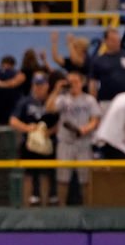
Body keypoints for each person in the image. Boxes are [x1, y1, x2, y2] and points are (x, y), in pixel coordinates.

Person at [46, 72, 101, 205]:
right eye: (70, 82)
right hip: (66, 142)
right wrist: (56, 90)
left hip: (84, 142)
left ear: (82, 83)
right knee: (63, 179)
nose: (73, 85)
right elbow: (49, 108)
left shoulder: (89, 100)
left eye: (76, 81)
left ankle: (88, 209)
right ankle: (62, 210)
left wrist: (85, 129)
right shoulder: (63, 99)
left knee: (86, 179)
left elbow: (95, 120)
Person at [9, 72, 58, 207]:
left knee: (45, 175)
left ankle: (44, 206)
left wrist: (50, 131)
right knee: (28, 176)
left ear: (47, 86)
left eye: (42, 85)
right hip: (29, 145)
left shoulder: (51, 101)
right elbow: (13, 121)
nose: (39, 88)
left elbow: (60, 121)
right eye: (36, 85)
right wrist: (27, 128)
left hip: (47, 144)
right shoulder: (26, 101)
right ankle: (26, 207)